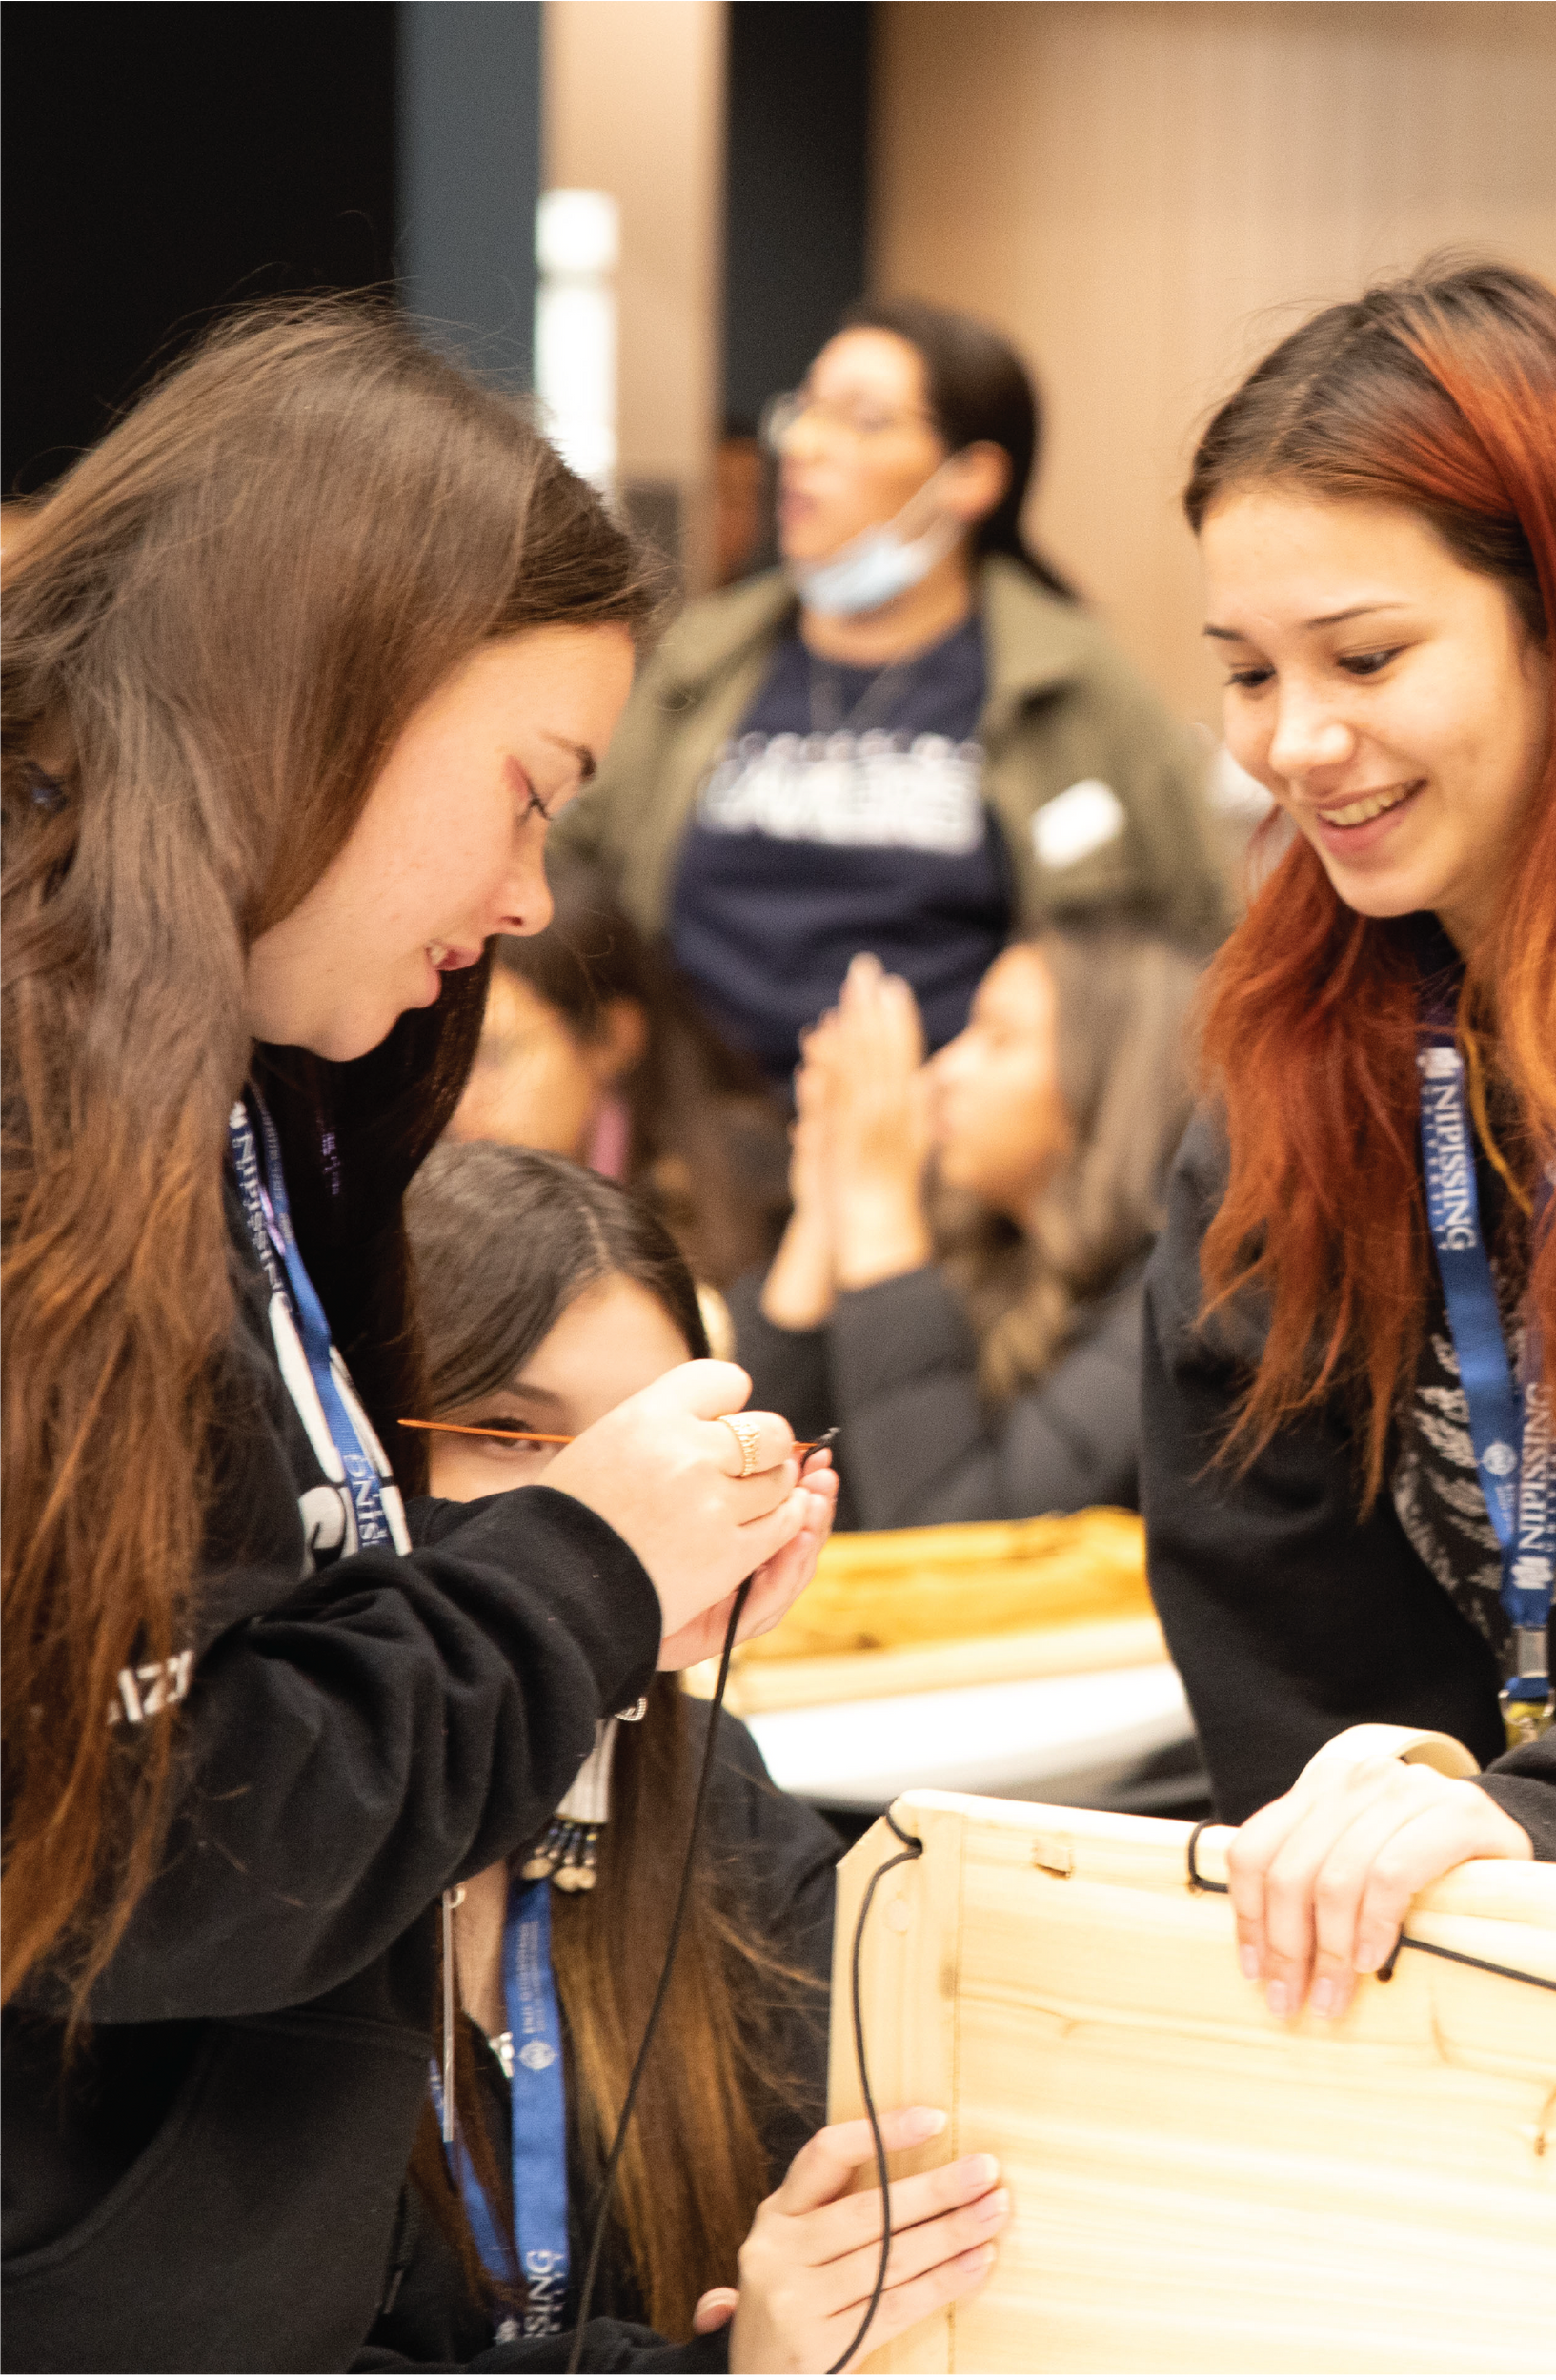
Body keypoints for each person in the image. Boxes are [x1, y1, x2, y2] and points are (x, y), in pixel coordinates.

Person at [0, 301, 1002, 2376]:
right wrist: (584, 1569)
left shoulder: (207, 1093)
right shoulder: (50, 1129)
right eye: (527, 792)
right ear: (324, 693)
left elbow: (230, 1690)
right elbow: (150, 1836)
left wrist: (594, 1600)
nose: (537, 895)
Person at [1141, 258, 1556, 2027]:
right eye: (1246, 671)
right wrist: (1399, 1870)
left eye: (1366, 656)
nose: (1298, 742)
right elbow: (1282, 1630)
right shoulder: (1314, 1047)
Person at [368, 1140, 851, 2354]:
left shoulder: (708, 1789)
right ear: (362, 1456)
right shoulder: (258, 1826)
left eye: (652, 1452)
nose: (603, 1513)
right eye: (509, 1435)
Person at [561, 296, 1228, 1093]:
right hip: (694, 1149)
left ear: (971, 477)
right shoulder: (698, 661)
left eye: (864, 420)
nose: (805, 445)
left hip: (954, 1168)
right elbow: (575, 868)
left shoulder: (1075, 685)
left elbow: (1192, 943)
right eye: (805, 410)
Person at [736, 926, 1200, 1528]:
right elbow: (773, 1499)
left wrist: (877, 1200)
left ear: (1118, 1078)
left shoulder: (1192, 1298)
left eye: (998, 1038)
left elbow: (953, 1543)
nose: (943, 1071)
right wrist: (824, 1214)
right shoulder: (983, 1254)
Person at [447, 839, 789, 1288]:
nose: (460, 1100)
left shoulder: (743, 1186)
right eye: (447, 1060)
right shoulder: (429, 1195)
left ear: (612, 1039)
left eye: (495, 1055)